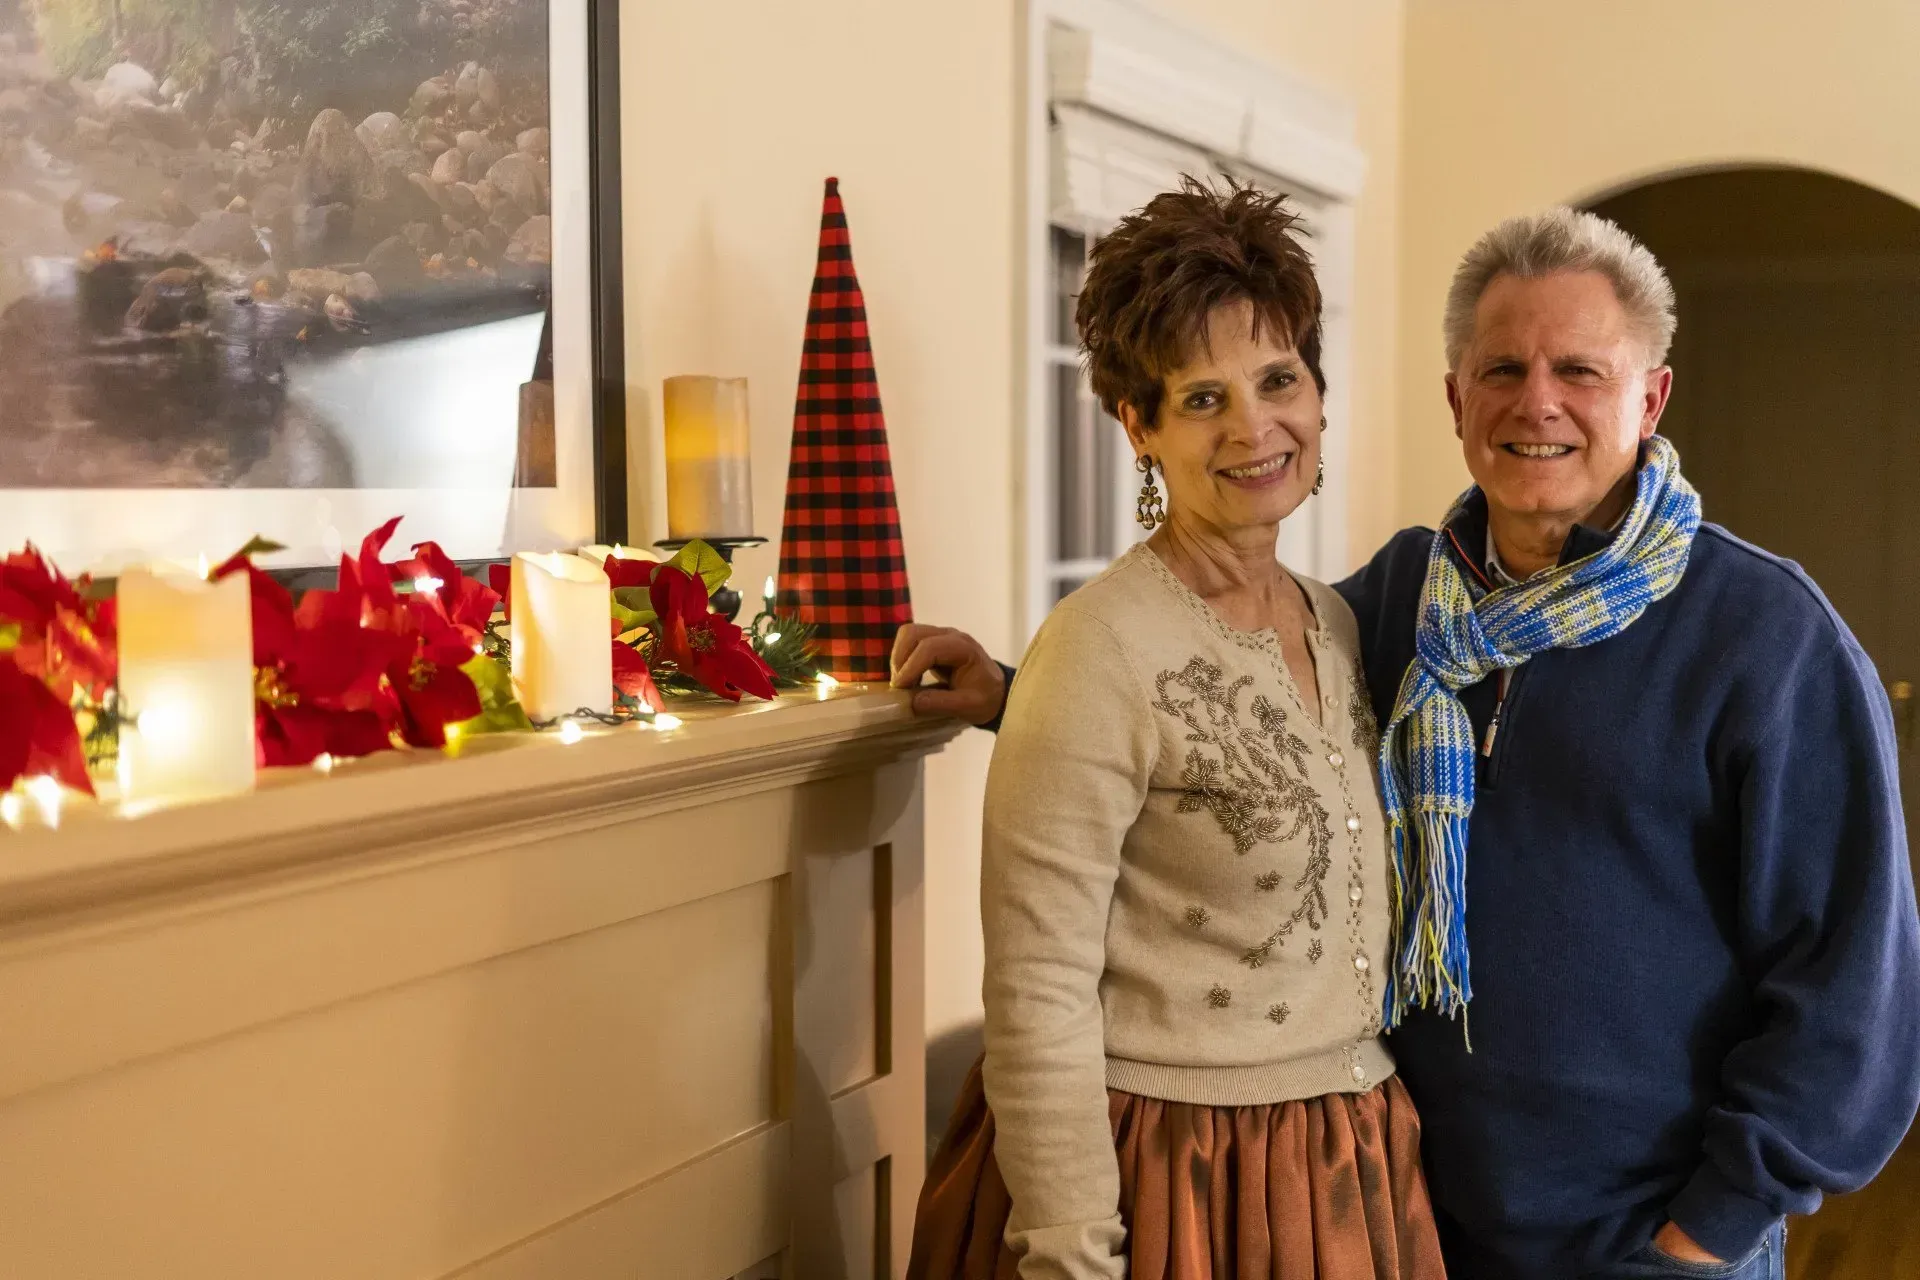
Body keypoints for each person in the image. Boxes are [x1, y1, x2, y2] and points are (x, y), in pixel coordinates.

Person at [894, 206, 1920, 1280]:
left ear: (1650, 397)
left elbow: (1855, 1001)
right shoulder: (1394, 605)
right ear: (1455, 398)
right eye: (1503, 368)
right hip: (1410, 1216)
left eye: (1580, 369)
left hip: (1657, 1245)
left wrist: (1702, 1233)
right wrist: (1027, 694)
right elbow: (1227, 721)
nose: (1538, 402)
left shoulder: (1768, 636)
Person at [905, 180, 1446, 1280]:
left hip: (1344, 1164)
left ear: (1321, 396)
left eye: (1278, 378)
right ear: (1138, 426)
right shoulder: (1096, 645)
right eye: (1202, 398)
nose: (1254, 426)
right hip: (1172, 1180)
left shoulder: (1338, 621)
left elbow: (1219, 770)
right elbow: (1037, 991)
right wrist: (1068, 1251)